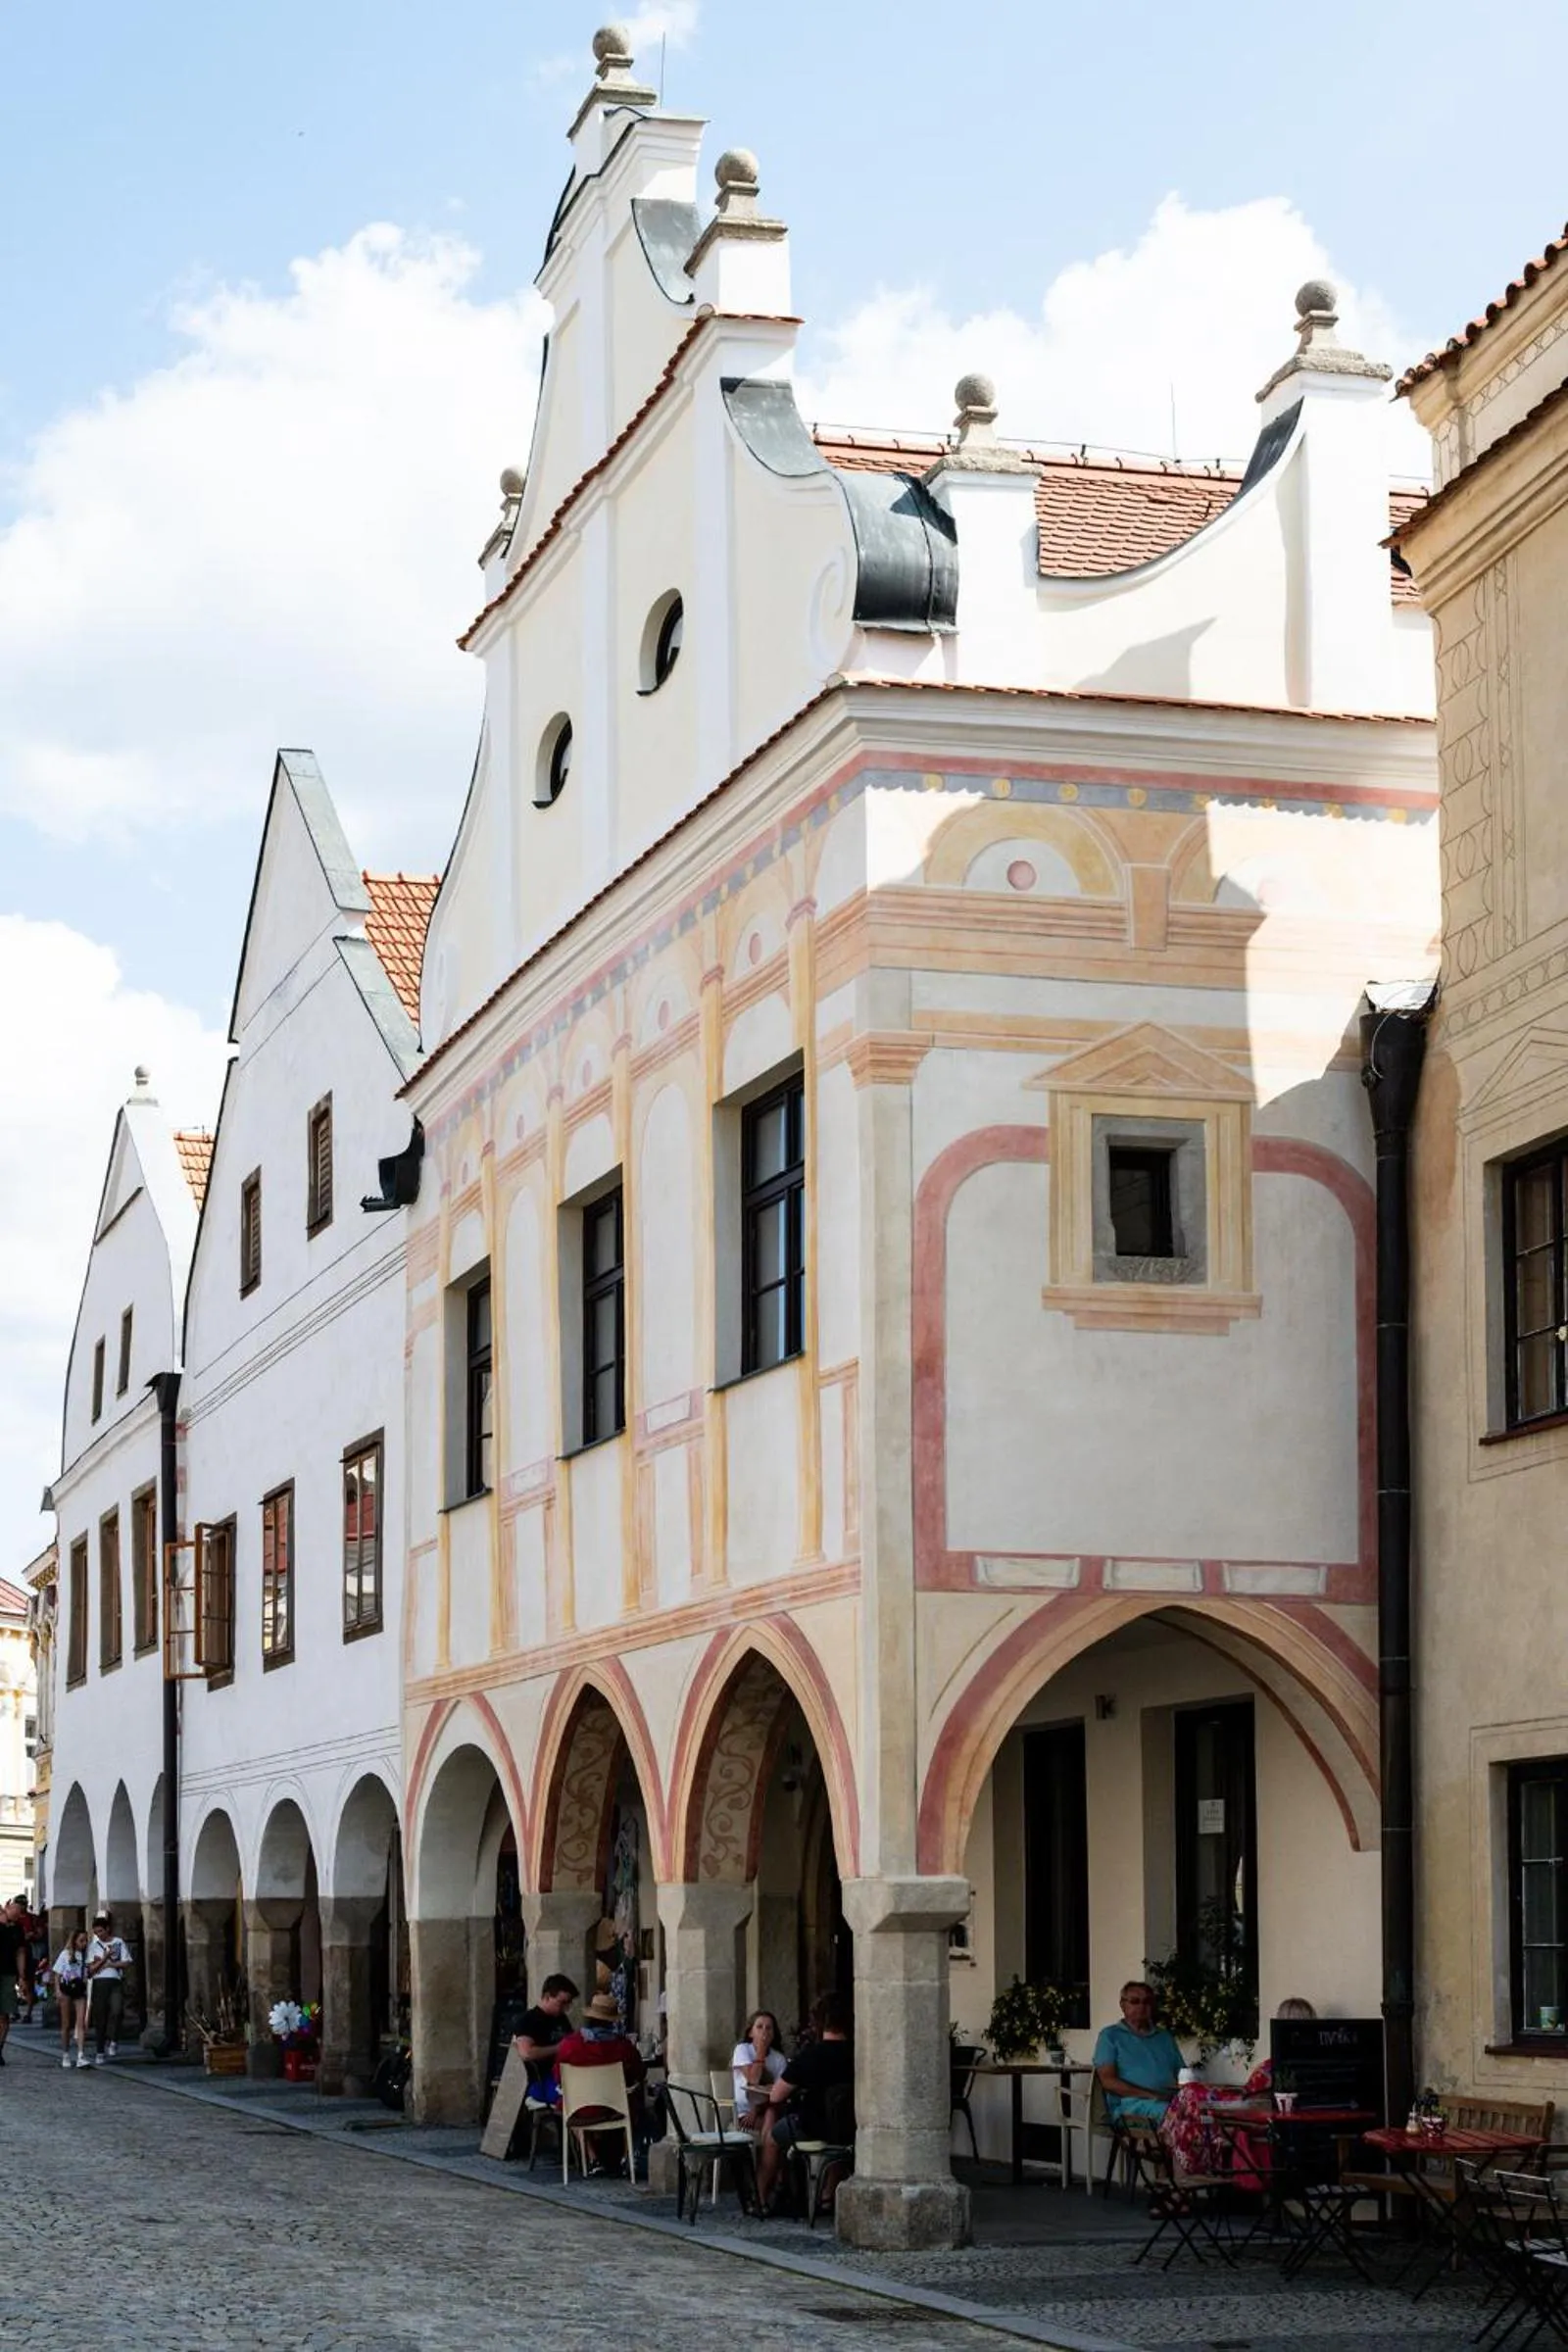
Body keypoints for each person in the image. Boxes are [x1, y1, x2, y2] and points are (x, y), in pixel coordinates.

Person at [756, 1992, 854, 2212]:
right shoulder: (857, 2054)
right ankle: (828, 2195)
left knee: (772, 2137)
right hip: (849, 2129)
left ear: (817, 2024)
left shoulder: (811, 2056)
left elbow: (776, 2096)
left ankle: (761, 2196)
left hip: (812, 2127)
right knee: (836, 2136)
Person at [554, 1989, 645, 2175]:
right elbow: (639, 2073)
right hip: (615, 2107)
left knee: (569, 2105)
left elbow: (558, 2076)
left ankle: (592, 2157)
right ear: (612, 2021)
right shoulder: (624, 2048)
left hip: (581, 2109)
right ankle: (627, 2155)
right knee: (634, 2101)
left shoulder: (570, 2045)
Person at [1093, 1980, 1183, 2124]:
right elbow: (1108, 2081)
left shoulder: (1164, 2037)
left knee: (1206, 2114)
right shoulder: (1110, 2036)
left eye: (1146, 2002)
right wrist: (1151, 2095)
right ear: (1123, 2005)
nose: (1141, 2006)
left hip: (1167, 2101)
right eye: (1135, 2001)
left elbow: (1182, 2075)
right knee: (1176, 2114)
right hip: (1129, 2106)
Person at [85, 1908, 132, 2065]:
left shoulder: (118, 1942)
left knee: (117, 2011)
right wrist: (104, 1959)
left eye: (101, 1931)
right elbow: (91, 1969)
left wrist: (112, 1964)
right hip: (100, 1982)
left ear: (107, 1929)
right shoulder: (94, 1946)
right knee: (100, 2016)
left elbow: (126, 1962)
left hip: (115, 1981)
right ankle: (100, 2050)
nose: (99, 1934)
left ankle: (113, 2039)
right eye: (96, 1932)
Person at [730, 2009, 786, 2132]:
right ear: (751, 2033)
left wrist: (757, 2109)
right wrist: (761, 2049)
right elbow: (753, 2079)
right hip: (745, 2114)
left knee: (774, 2117)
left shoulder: (779, 2058)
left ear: (773, 2034)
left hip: (768, 2108)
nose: (764, 2031)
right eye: (760, 2027)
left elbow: (779, 2092)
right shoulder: (742, 2049)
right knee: (774, 2127)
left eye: (769, 2028)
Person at [53, 1929, 90, 2069]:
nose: (84, 1943)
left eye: (86, 1940)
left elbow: (89, 1971)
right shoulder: (65, 1954)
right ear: (75, 1941)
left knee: (81, 2022)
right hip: (67, 1989)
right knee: (66, 2023)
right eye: (81, 1940)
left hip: (80, 1989)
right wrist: (57, 1990)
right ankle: (66, 2054)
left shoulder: (87, 1955)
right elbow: (57, 1973)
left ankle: (81, 2054)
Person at [0, 1896, 24, 2067]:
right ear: (7, 1907)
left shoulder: (17, 1930)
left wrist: (22, 1976)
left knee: (4, 2015)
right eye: (15, 1910)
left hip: (8, 1974)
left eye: (20, 1913)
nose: (17, 1914)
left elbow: (20, 1952)